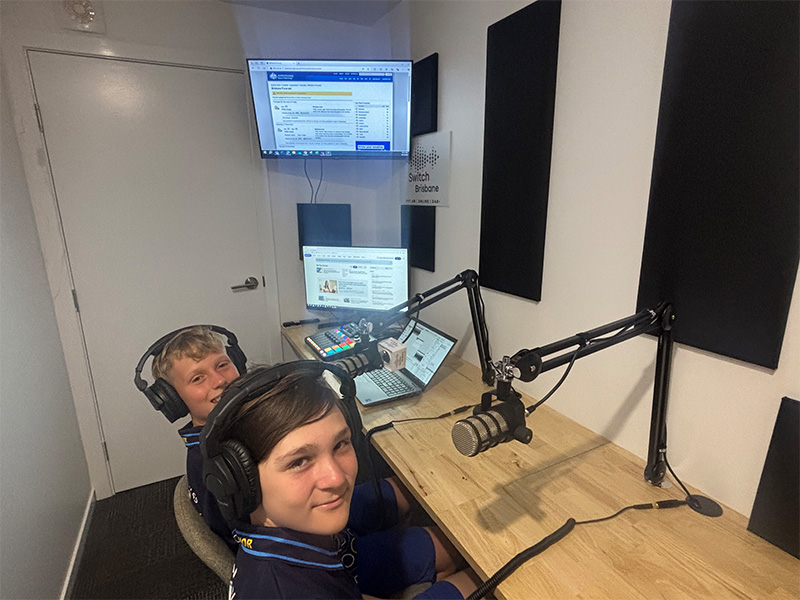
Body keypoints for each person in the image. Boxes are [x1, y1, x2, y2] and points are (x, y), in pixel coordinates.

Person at [206, 365, 478, 600]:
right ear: (242, 482)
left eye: (340, 444)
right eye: (299, 461)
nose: (336, 478)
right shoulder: (289, 589)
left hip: (342, 576)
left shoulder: (281, 549)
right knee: (486, 583)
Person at [149, 325, 243, 552]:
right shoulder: (212, 462)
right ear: (175, 401)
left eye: (222, 365)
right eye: (198, 378)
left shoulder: (239, 425)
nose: (219, 380)